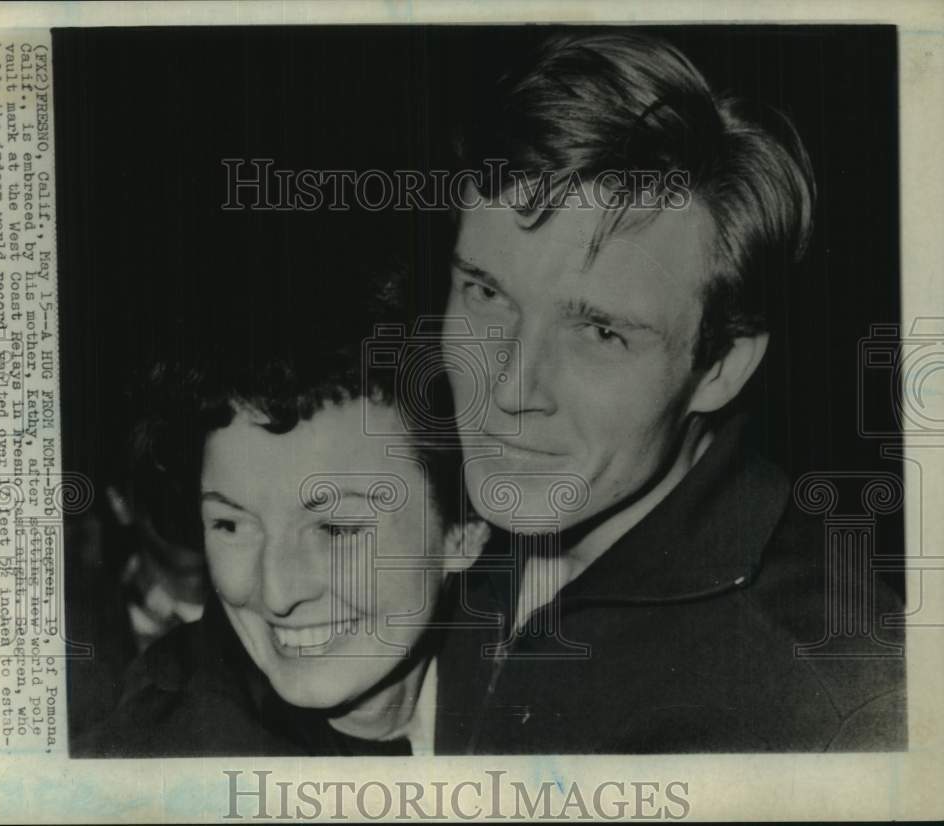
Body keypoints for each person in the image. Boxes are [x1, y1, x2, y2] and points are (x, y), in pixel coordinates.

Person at [433, 31, 906, 753]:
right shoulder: (442, 509)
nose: (507, 389)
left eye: (600, 333)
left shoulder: (837, 704)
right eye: (487, 293)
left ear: (722, 367)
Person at [76, 265, 489, 757]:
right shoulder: (166, 759)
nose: (277, 593)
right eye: (230, 524)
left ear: (465, 530)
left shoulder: (550, 682)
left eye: (336, 527)